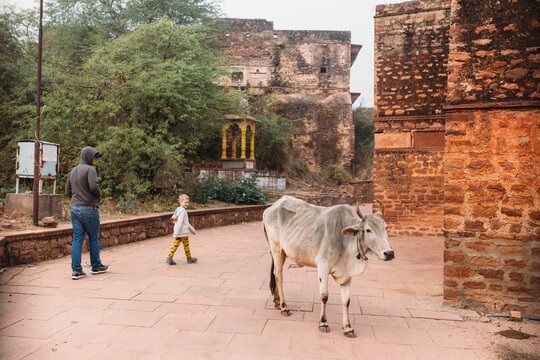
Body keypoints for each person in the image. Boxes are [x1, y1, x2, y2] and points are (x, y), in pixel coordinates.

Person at [66, 146, 108, 280]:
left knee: (77, 239)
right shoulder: (90, 170)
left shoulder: (73, 171)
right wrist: (98, 195)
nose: (96, 159)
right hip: (89, 209)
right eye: (94, 156)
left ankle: (76, 271)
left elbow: (67, 191)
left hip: (74, 209)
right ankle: (96, 266)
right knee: (93, 238)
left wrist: (77, 196)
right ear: (88, 156)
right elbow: (94, 187)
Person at [167, 194, 197, 265]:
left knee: (175, 245)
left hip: (178, 233)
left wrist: (176, 232)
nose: (187, 204)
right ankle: (189, 259)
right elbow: (181, 222)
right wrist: (176, 232)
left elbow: (174, 217)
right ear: (180, 202)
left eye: (188, 202)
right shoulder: (183, 211)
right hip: (183, 233)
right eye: (185, 202)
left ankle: (169, 258)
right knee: (186, 246)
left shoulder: (178, 209)